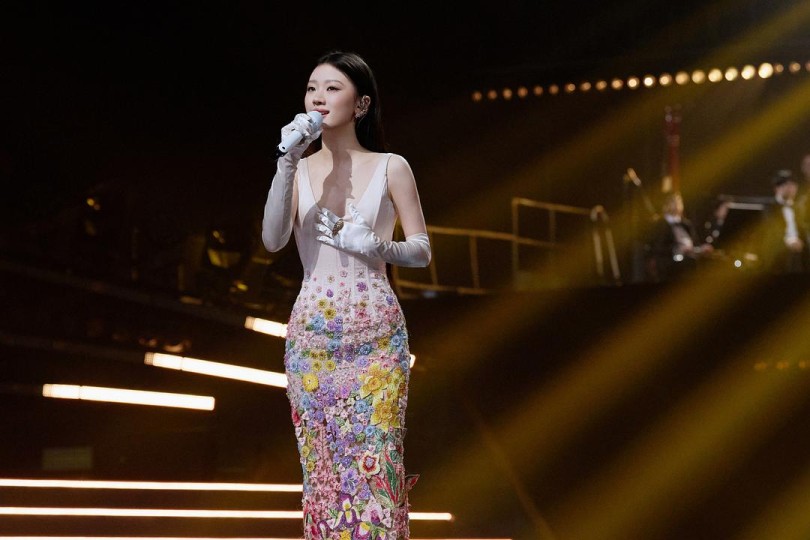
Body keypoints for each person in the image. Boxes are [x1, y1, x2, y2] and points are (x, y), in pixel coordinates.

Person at [261, 51, 431, 539]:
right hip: (312, 340)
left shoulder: (392, 166)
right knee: (323, 473)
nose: (319, 97)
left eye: (333, 88)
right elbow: (272, 239)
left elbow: (421, 250)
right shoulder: (297, 168)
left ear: (361, 104)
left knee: (376, 463)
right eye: (312, 87)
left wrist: (377, 246)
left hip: (376, 338)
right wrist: (286, 162)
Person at [644, 190, 714, 281]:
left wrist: (701, 248)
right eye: (673, 201)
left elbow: (695, 244)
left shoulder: (686, 224)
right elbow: (656, 248)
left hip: (689, 259)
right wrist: (678, 249)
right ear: (665, 204)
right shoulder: (659, 224)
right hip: (669, 262)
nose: (677, 204)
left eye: (679, 201)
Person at [759, 169, 809, 274]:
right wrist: (789, 242)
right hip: (778, 260)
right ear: (776, 188)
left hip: (800, 260)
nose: (789, 188)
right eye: (784, 185)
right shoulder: (768, 208)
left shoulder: (798, 208)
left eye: (792, 184)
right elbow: (769, 234)